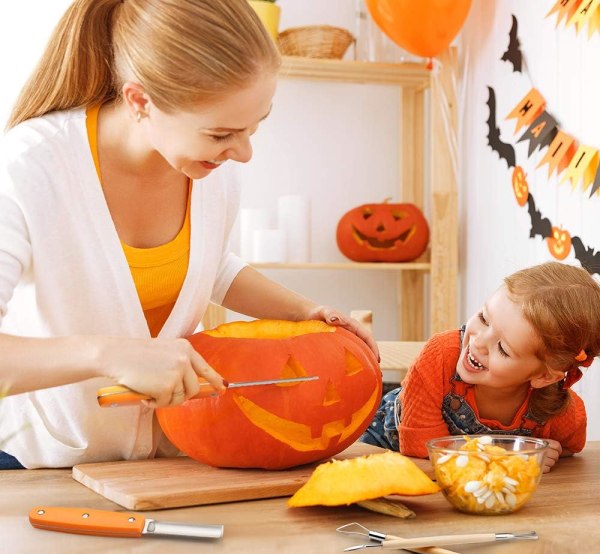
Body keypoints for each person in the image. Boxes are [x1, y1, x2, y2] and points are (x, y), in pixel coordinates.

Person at [0, 0, 378, 469]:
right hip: (34, 468)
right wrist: (110, 355)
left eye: (254, 127)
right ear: (140, 101)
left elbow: (209, 265)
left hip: (166, 465)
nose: (243, 153)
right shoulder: (27, 168)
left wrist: (303, 310)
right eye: (221, 134)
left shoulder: (209, 170)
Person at [361, 262, 600, 473]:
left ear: (544, 376)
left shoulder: (558, 410)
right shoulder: (441, 354)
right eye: (484, 318)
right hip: (377, 446)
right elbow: (421, 447)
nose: (478, 341)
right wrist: (508, 455)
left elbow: (571, 446)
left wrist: (541, 452)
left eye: (503, 349)